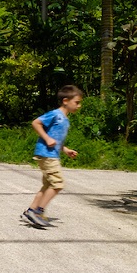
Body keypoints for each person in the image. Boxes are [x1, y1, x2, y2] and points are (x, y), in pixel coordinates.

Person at [22, 85, 83, 229]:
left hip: (51, 154)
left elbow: (55, 139)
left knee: (48, 185)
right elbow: (36, 123)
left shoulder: (65, 119)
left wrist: (65, 149)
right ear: (66, 101)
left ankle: (31, 210)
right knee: (58, 184)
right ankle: (38, 212)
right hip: (46, 154)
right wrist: (46, 138)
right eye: (77, 102)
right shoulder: (55, 114)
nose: (79, 106)